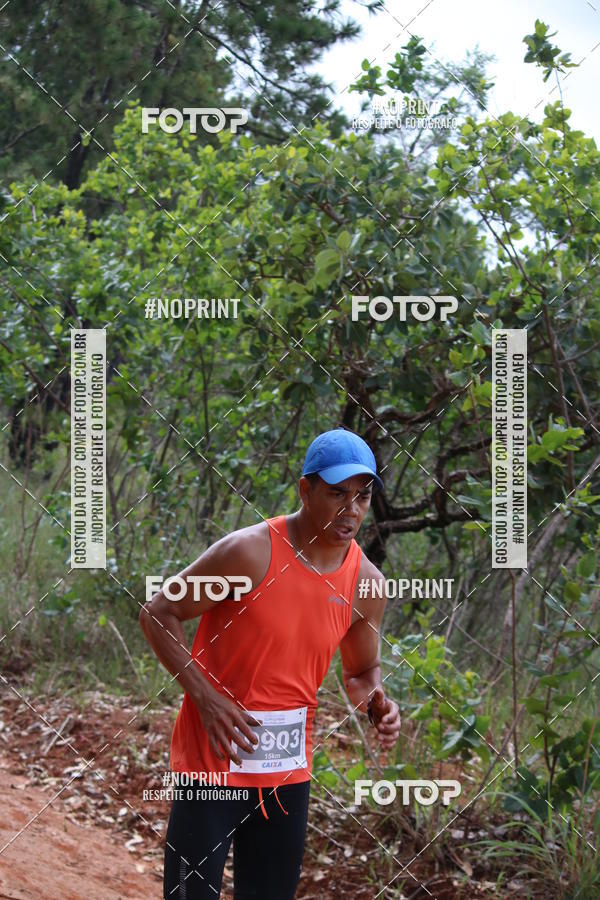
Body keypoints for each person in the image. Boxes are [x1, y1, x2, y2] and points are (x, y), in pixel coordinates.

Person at [139, 428, 402, 899]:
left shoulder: (366, 582)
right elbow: (158, 614)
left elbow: (361, 673)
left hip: (285, 775)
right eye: (336, 493)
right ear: (305, 489)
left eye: (362, 496)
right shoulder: (250, 553)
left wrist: (377, 702)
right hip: (212, 768)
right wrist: (207, 698)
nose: (352, 509)